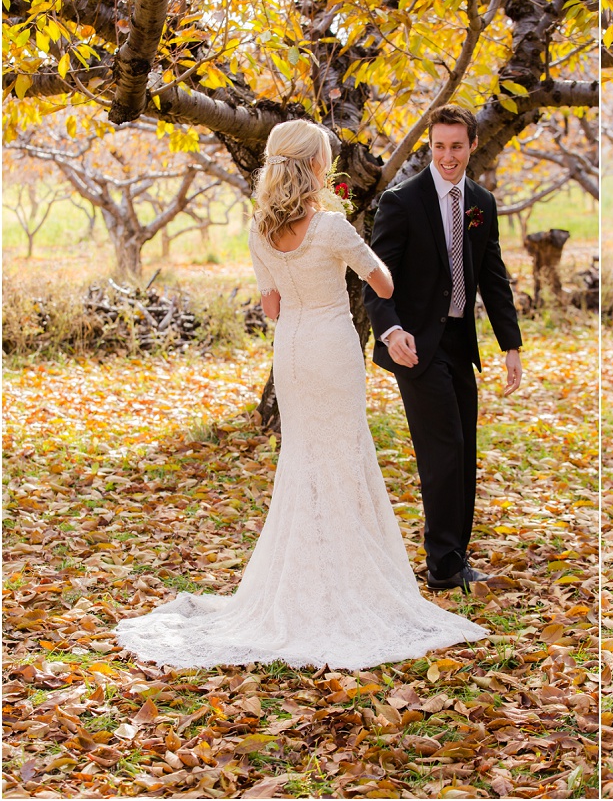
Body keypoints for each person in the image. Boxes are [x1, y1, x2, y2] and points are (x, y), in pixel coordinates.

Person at [116, 120, 486, 669]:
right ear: (317, 166)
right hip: (332, 349)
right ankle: (347, 577)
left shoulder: (258, 230)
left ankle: (303, 576)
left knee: (303, 459)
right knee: (343, 454)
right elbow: (381, 282)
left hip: (290, 352)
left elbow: (271, 307)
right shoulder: (332, 228)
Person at [364, 105, 523, 593]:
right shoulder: (401, 202)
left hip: (459, 342)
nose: (448, 156)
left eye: (457, 146)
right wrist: (391, 333)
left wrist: (510, 345)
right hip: (414, 345)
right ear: (429, 147)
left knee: (464, 448)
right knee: (443, 449)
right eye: (439, 146)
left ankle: (455, 556)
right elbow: (377, 282)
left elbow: (492, 276)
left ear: (472, 145)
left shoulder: (481, 202)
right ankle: (442, 564)